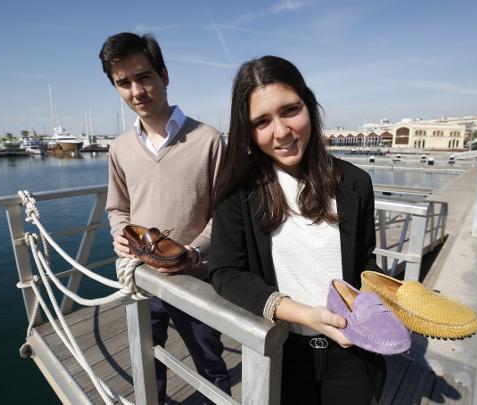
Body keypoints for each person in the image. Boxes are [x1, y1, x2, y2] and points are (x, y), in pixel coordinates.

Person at [209, 55, 386, 404]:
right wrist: (304, 314)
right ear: (248, 130)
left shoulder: (356, 183)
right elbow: (226, 272)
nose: (281, 132)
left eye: (290, 110)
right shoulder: (238, 193)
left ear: (309, 106)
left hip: (353, 350)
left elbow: (364, 261)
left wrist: (389, 296)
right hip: (283, 351)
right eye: (262, 121)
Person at [99, 32, 230, 403]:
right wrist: (120, 236)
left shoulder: (207, 139)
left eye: (143, 77)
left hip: (197, 279)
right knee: (145, 358)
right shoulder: (119, 148)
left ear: (164, 76)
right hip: (141, 278)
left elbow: (224, 212)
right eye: (123, 83)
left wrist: (193, 252)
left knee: (210, 363)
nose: (136, 91)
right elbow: (118, 206)